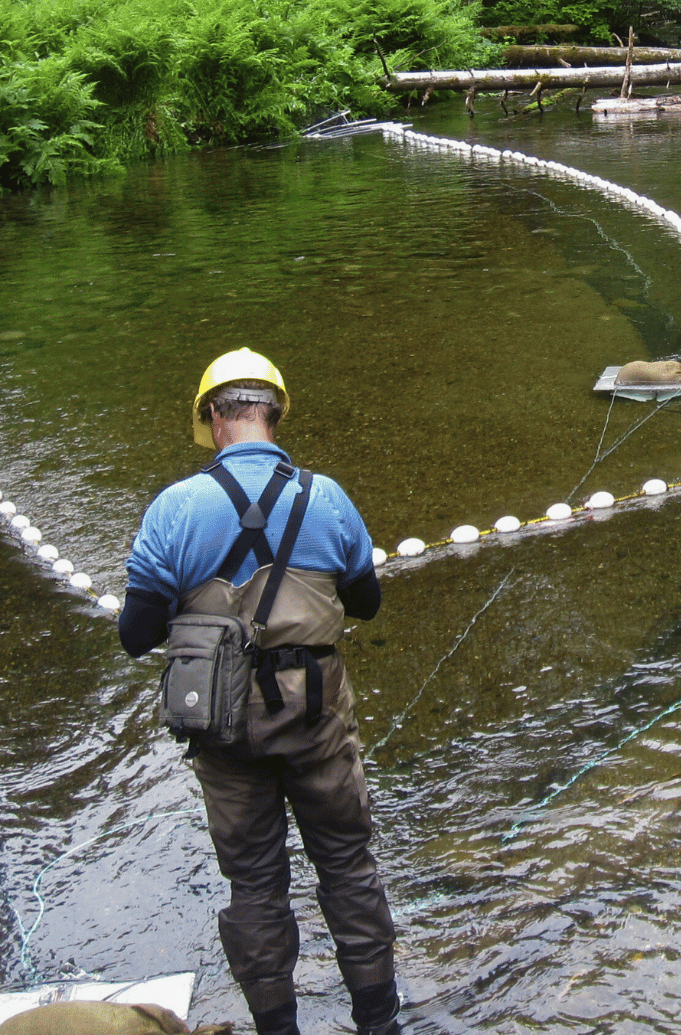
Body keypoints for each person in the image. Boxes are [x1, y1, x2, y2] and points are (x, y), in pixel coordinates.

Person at [118, 348, 400, 1035]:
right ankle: (379, 1021)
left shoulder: (174, 508)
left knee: (254, 885)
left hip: (222, 727)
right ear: (274, 414)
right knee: (347, 865)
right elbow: (366, 603)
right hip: (317, 717)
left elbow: (135, 633)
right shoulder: (326, 496)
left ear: (213, 417)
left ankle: (277, 1027)